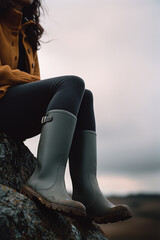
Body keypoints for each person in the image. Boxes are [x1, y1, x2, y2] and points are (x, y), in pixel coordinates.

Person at [0, 0, 132, 224]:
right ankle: (45, 180)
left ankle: (87, 191)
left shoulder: (27, 32)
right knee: (71, 83)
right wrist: (30, 82)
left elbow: (33, 84)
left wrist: (31, 83)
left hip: (13, 113)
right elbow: (30, 81)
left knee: (84, 95)